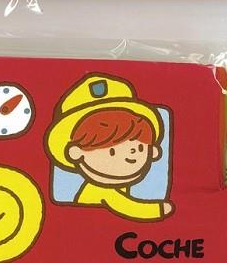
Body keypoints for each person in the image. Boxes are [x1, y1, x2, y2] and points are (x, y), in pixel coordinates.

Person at [47, 75, 174, 221]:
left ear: (152, 152)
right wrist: (159, 209)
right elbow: (127, 206)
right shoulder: (101, 190)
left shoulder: (117, 185)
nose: (132, 154)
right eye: (112, 151)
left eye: (140, 148)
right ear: (76, 153)